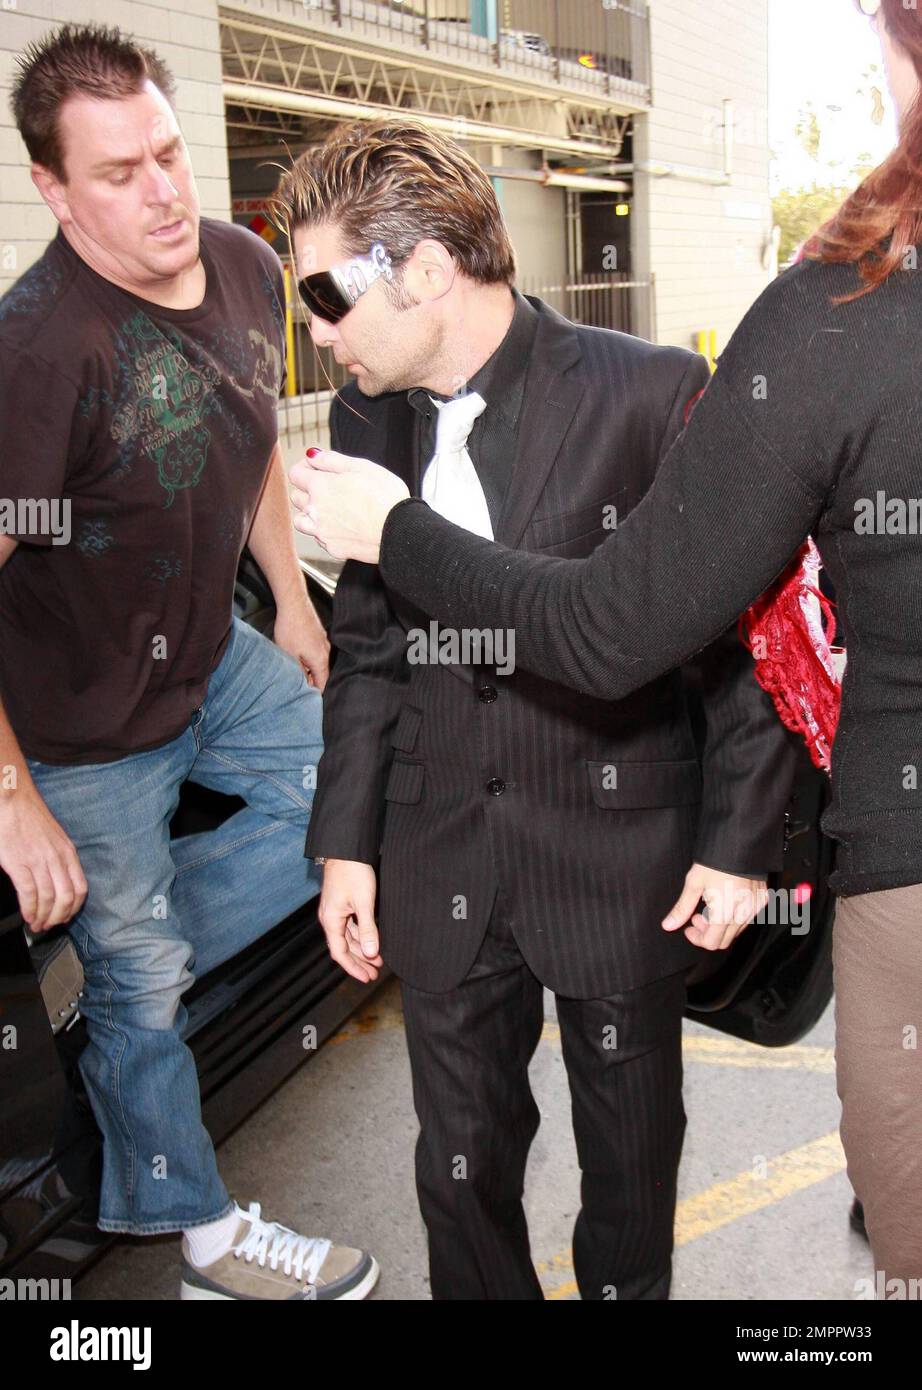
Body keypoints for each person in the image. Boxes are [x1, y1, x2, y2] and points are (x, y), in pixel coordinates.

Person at [291, 0, 922, 1288]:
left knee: (631, 1167)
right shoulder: (365, 427)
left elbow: (732, 647)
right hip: (439, 866)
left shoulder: (651, 391)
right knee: (457, 1168)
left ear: (418, 270)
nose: (313, 327)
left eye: (321, 291)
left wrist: (739, 845)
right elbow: (365, 652)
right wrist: (344, 842)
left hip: (617, 858)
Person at [0, 22, 378, 1300]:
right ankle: (205, 1231)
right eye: (120, 172)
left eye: (168, 151)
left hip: (211, 656)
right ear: (54, 190)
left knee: (365, 786)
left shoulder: (240, 264)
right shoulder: (35, 353)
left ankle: (118, 970)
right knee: (143, 979)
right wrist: (12, 801)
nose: (163, 189)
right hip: (81, 728)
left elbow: (253, 437)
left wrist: (297, 609)